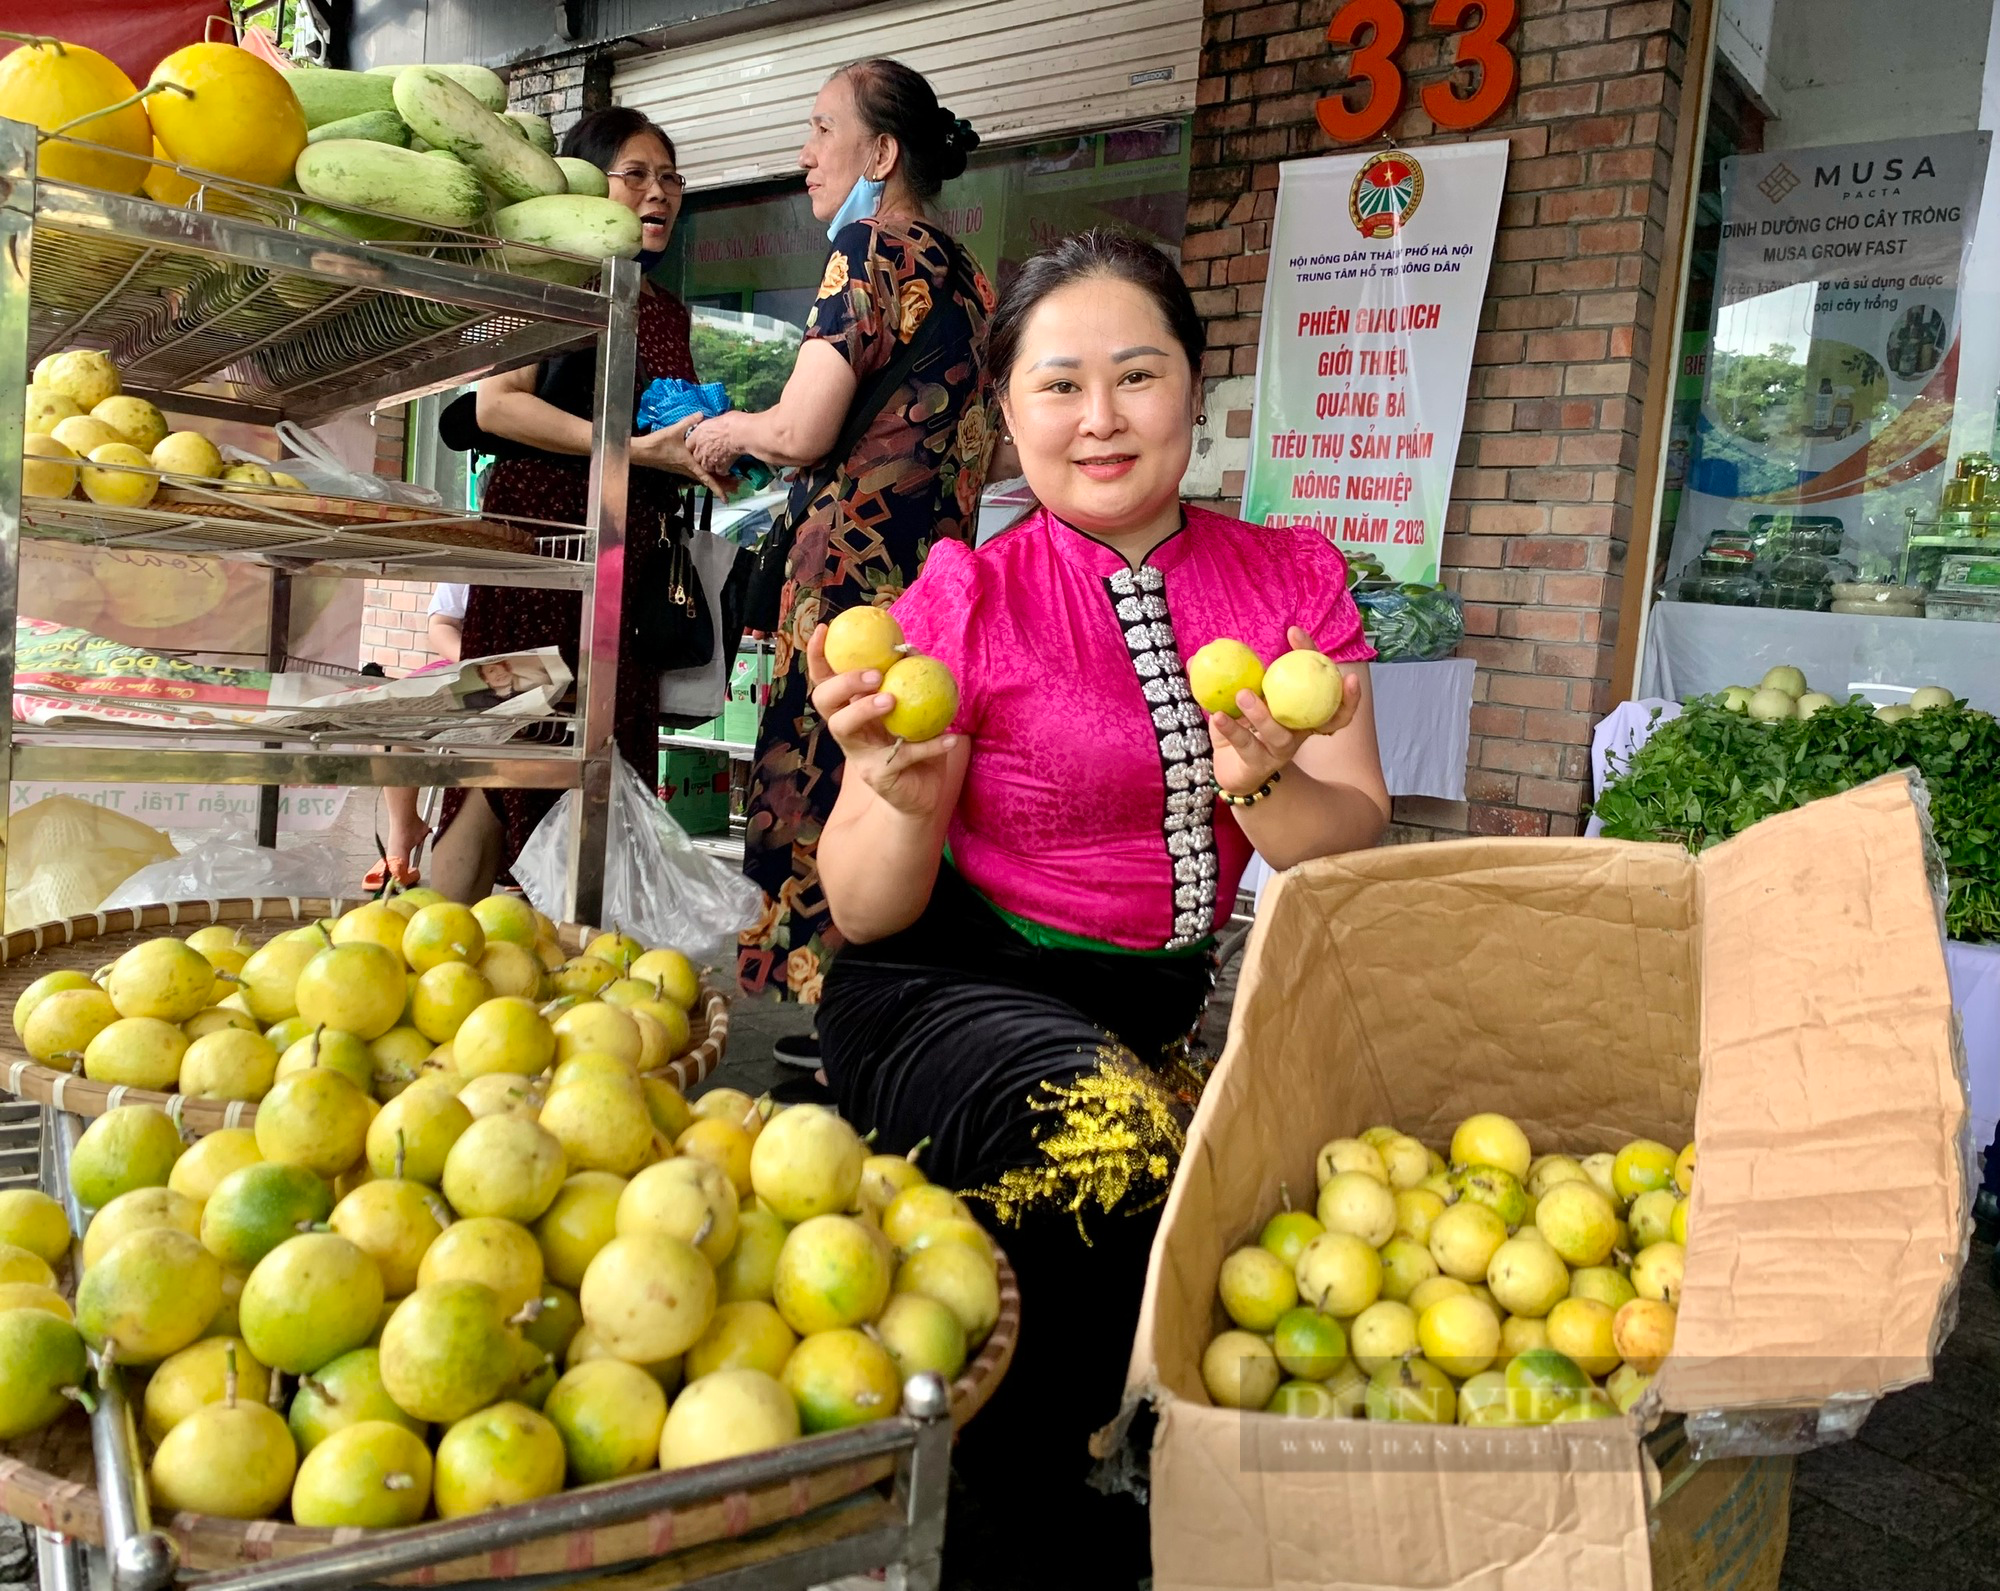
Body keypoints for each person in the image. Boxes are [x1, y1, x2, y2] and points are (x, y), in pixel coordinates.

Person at [803, 231, 1390, 1582]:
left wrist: (1257, 786)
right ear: (1009, 414)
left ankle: (1068, 1478)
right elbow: (863, 906)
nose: (1103, 417)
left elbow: (1348, 835)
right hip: (948, 979)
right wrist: (899, 791)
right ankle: (1008, 1527)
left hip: (1154, 996)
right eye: (1060, 385)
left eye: (1139, 374)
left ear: (1197, 388)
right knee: (1106, 1131)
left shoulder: (1293, 577)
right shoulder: (965, 592)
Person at [687, 58, 998, 1015]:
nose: (805, 153)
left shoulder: (868, 246)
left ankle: (825, 1004)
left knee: (822, 771)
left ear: (883, 151)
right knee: (910, 768)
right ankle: (902, 991)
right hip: (938, 578)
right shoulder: (973, 276)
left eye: (824, 129)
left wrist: (721, 430)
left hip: (851, 571)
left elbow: (801, 430)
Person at [429, 107, 727, 905]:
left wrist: (704, 454)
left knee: (599, 755)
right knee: (508, 750)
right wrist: (630, 451)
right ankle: (430, 947)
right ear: (592, 185)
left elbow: (656, 423)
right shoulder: (543, 276)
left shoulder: (666, 309)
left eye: (670, 178)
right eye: (637, 176)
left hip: (626, 553)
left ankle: (572, 958)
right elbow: (495, 408)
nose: (658, 193)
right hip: (541, 540)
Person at [368, 583, 465, 892]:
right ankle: (403, 829)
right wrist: (473, 659)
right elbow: (441, 624)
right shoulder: (463, 567)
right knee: (394, 714)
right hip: (465, 663)